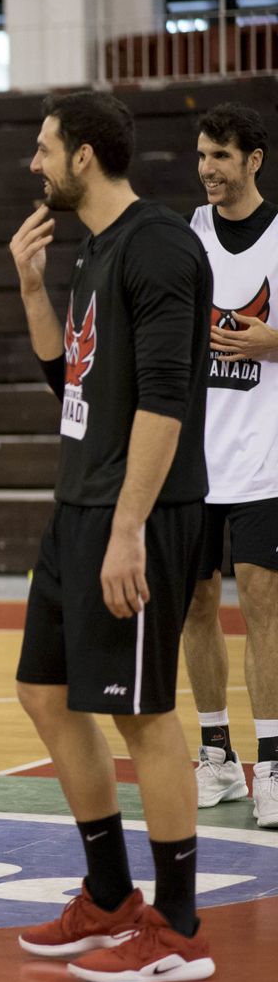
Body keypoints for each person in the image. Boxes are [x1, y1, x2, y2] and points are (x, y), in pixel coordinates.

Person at [8, 91, 215, 982]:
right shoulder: (96, 250)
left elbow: (168, 398)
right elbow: (75, 384)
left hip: (140, 514)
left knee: (143, 710)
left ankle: (177, 926)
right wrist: (28, 288)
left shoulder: (161, 244)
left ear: (85, 155)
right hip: (81, 506)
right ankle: (108, 895)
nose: (35, 163)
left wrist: (129, 528)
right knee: (46, 695)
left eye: (46, 148)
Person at [180, 102, 278, 829]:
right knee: (196, 606)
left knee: (265, 608)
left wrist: (268, 343)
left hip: (266, 456)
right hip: (198, 457)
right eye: (202, 155)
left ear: (255, 159)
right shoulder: (191, 232)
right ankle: (216, 755)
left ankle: (271, 765)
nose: (209, 168)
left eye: (222, 155)